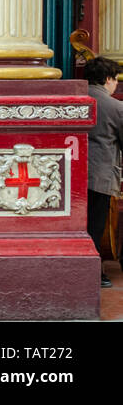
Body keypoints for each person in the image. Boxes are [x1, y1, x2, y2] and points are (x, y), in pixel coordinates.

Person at [84, 56, 123, 287]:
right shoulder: (115, 107)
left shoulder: (74, 100)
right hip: (99, 176)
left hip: (70, 175)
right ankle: (94, 273)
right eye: (115, 79)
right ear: (108, 79)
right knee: (95, 227)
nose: (116, 84)